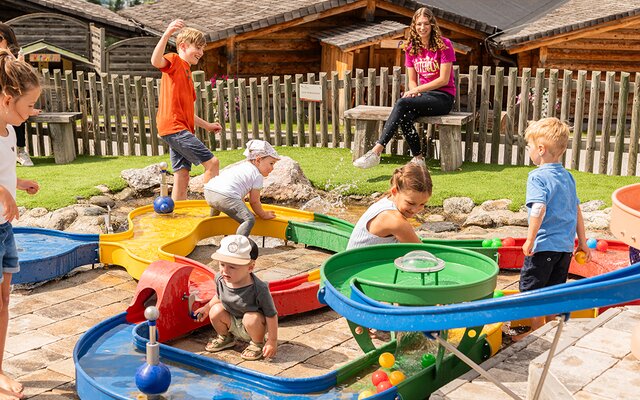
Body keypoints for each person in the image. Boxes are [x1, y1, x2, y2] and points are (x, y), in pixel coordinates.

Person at [353, 7, 456, 169]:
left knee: (401, 104)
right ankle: (419, 159)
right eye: (419, 24)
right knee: (404, 115)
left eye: (426, 24)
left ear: (432, 25)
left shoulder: (444, 45)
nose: (422, 28)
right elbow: (412, 80)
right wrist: (415, 91)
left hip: (443, 98)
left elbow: (443, 80)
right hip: (423, 96)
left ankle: (376, 151)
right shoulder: (411, 48)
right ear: (414, 26)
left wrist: (416, 91)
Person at [520, 117, 590, 333]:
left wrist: (530, 238)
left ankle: (536, 330)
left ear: (540, 149)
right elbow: (576, 210)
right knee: (554, 290)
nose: (529, 150)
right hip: (564, 249)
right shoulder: (568, 177)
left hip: (543, 246)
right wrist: (583, 243)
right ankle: (551, 328)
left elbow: (539, 208)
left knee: (532, 291)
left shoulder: (537, 177)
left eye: (529, 146)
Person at [0, 49, 41, 399]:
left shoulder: (10, 134)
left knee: (3, 301)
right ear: (6, 98)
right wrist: (3, 192)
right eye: (28, 107)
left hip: (3, 230)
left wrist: (18, 185)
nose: (31, 114)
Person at [151, 19, 221, 202]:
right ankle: (212, 209)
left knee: (182, 175)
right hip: (175, 128)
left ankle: (176, 216)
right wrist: (167, 34)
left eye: (203, 49)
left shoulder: (188, 75)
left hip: (179, 128)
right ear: (182, 46)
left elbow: (188, 111)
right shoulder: (174, 61)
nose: (201, 52)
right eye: (198, 47)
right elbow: (155, 60)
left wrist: (207, 126)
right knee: (212, 163)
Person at [194, 235, 278, 361]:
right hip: (232, 321)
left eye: (232, 267)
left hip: (253, 326)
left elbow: (271, 315)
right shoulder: (220, 279)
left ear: (250, 267)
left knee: (251, 318)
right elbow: (219, 296)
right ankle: (225, 337)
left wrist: (272, 341)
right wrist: (206, 308)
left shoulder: (259, 288)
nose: (225, 271)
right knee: (215, 310)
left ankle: (257, 343)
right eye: (222, 264)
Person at [347, 162, 432, 249]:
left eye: (422, 204)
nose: (415, 209)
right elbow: (422, 253)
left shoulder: (386, 200)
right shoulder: (395, 220)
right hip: (358, 262)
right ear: (394, 191)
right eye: (410, 203)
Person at [204, 140, 279, 236]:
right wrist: (263, 214)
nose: (273, 168)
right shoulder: (257, 175)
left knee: (218, 202)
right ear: (258, 160)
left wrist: (246, 210)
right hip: (225, 196)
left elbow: (238, 194)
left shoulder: (242, 167)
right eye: (271, 163)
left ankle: (210, 228)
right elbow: (254, 202)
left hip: (209, 192)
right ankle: (239, 244)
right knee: (249, 219)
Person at [0, 23, 36, 167]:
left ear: (7, 39)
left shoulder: (14, 60)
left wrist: (29, 107)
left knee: (15, 112)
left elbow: (25, 88)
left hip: (9, 101)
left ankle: (20, 151)